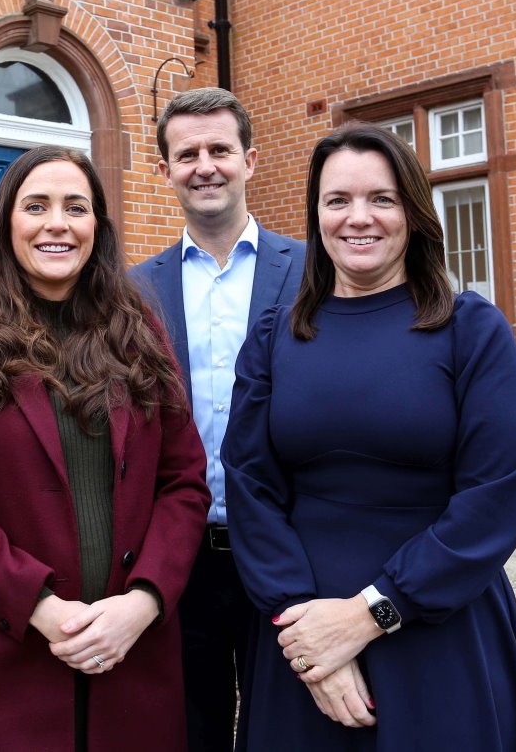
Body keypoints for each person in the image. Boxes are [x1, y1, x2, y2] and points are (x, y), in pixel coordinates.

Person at [222, 123, 516, 750]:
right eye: (337, 200)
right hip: (302, 631)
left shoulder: (470, 330)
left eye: (382, 199)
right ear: (316, 214)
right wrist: (308, 634)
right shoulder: (274, 335)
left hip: (439, 630)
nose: (358, 218)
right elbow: (250, 483)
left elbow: (494, 499)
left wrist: (373, 612)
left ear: (413, 213)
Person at [0, 145, 211, 751]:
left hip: (133, 655)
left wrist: (145, 602)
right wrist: (40, 606)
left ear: (97, 225)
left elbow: (184, 482)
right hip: (10, 653)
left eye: (76, 207)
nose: (57, 224)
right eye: (36, 206)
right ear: (6, 224)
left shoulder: (140, 330)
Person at [131, 86, 303, 752]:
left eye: (219, 150)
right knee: (187, 727)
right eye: (187, 153)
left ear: (249, 160)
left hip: (285, 547)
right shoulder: (133, 289)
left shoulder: (310, 271)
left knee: (283, 726)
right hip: (178, 552)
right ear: (166, 169)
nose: (205, 165)